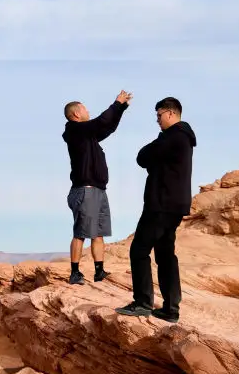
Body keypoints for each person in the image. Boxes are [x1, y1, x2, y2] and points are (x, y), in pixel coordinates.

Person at [116, 96, 197, 322]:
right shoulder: (183, 138)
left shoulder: (174, 136)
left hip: (161, 204)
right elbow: (148, 159)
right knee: (165, 255)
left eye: (159, 115)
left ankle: (143, 302)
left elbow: (142, 157)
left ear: (171, 113)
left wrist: (155, 156)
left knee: (139, 250)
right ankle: (171, 309)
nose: (158, 121)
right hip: (174, 205)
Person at [62, 90, 132, 285]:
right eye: (84, 108)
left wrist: (121, 108)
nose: (88, 110)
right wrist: (116, 103)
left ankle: (99, 271)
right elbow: (101, 122)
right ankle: (75, 273)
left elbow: (107, 128)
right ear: (76, 114)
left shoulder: (87, 135)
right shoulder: (75, 131)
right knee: (81, 232)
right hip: (85, 189)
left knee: (98, 233)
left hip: (98, 190)